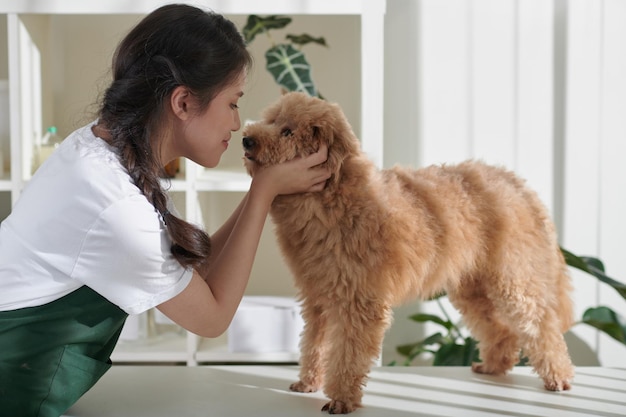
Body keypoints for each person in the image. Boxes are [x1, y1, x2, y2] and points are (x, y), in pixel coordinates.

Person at [0, 4, 330, 416]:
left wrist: (260, 189)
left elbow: (195, 273)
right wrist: (263, 194)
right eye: (232, 103)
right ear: (184, 102)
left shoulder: (100, 150)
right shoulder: (117, 207)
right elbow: (211, 318)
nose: (237, 123)